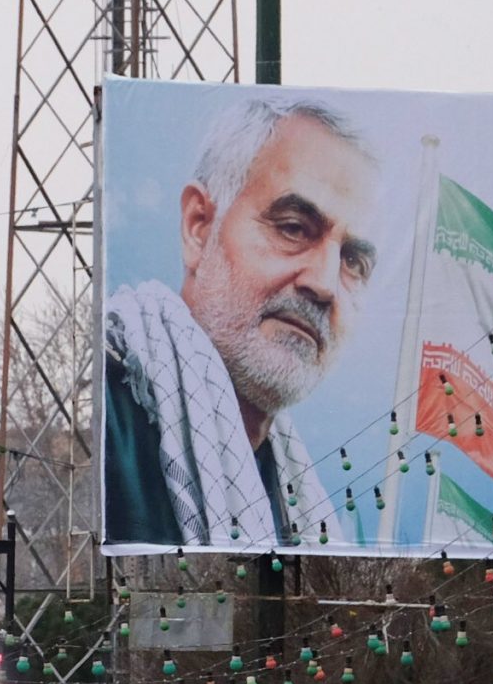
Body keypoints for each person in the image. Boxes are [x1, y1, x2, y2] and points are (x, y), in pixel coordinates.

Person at [104, 95, 369, 547]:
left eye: (353, 261)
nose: (325, 285)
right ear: (199, 226)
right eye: (292, 227)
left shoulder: (310, 506)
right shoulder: (105, 419)